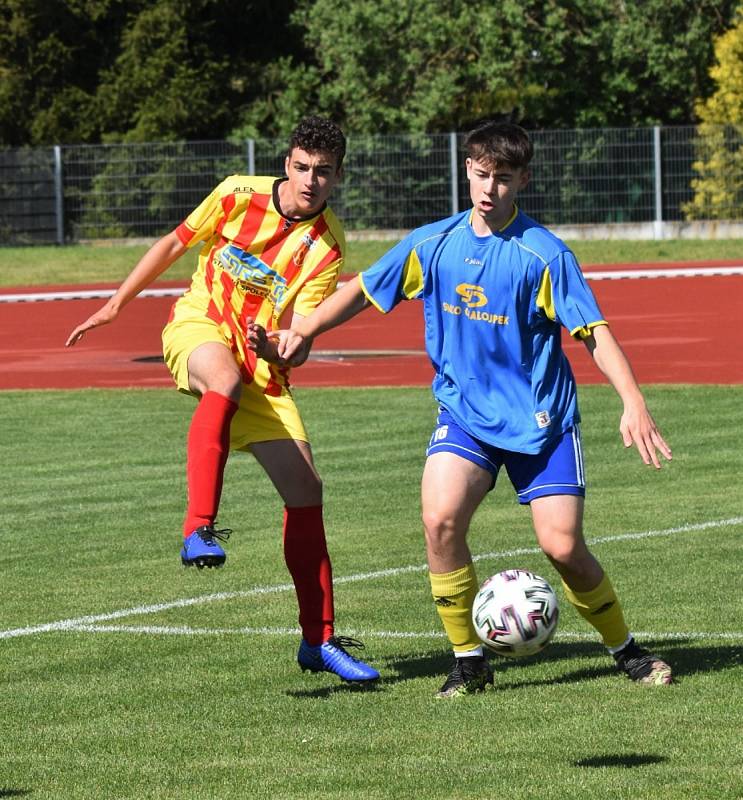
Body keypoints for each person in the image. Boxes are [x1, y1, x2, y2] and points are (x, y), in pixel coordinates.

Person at [251, 120, 674, 698]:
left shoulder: (543, 255)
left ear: (523, 179)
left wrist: (634, 402)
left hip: (540, 422)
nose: (489, 188)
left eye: (503, 178)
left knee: (563, 547)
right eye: (480, 174)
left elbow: (593, 332)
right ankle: (469, 661)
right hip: (467, 416)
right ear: (466, 170)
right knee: (439, 520)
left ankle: (626, 650)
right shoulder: (435, 244)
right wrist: (300, 331)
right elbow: (363, 290)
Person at [65, 116, 379, 684]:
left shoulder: (327, 249)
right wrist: (116, 304)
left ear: (337, 176)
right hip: (200, 327)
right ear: (287, 163)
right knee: (224, 380)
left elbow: (299, 341)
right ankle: (197, 527)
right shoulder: (237, 193)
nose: (310, 180)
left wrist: (279, 346)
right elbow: (172, 244)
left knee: (307, 490)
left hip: (261, 367)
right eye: (302, 167)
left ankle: (319, 641)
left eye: (323, 172)